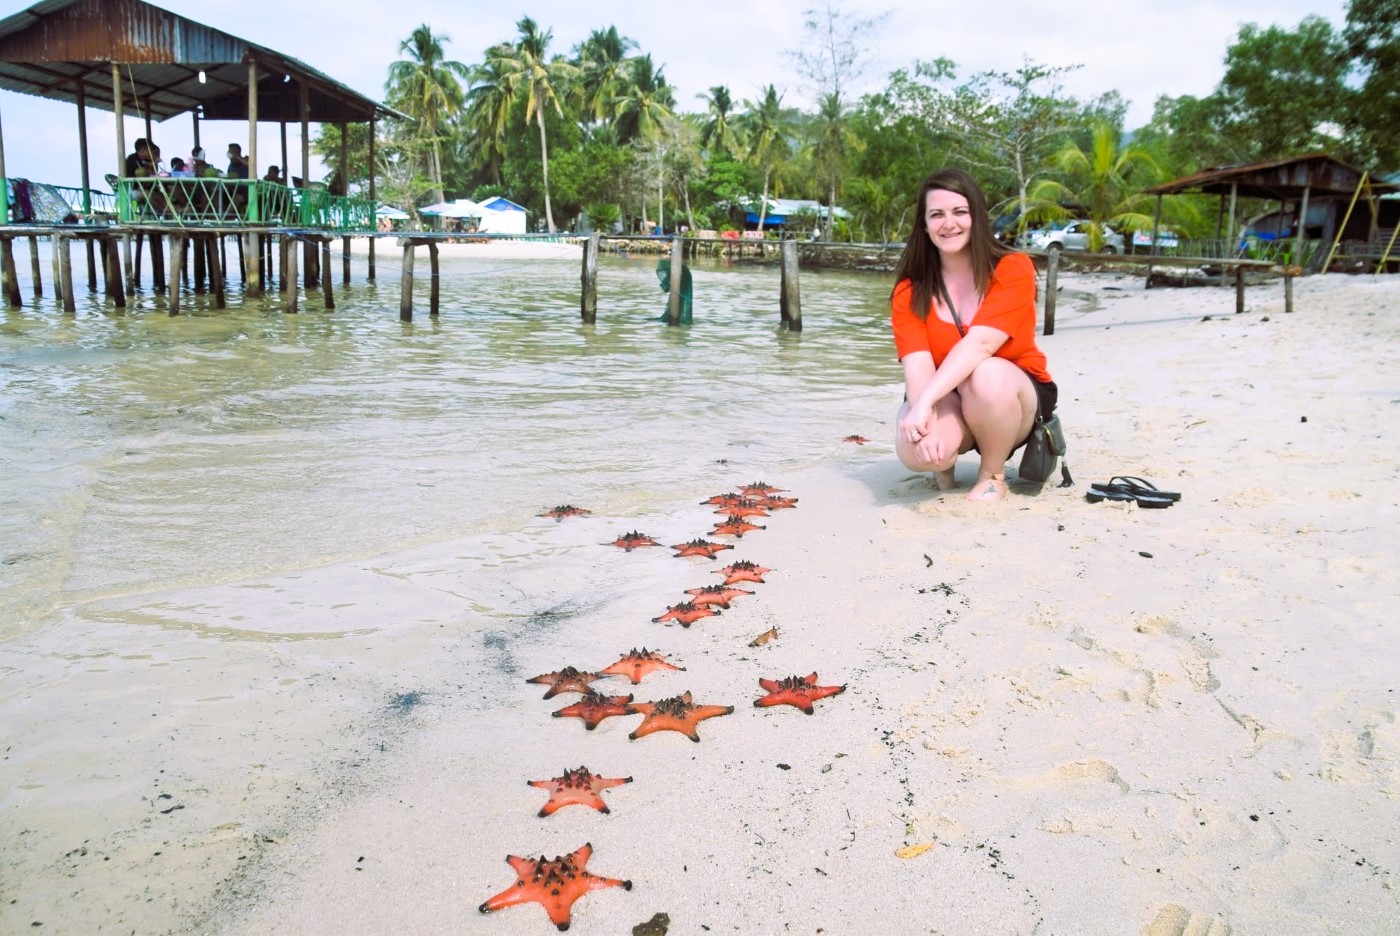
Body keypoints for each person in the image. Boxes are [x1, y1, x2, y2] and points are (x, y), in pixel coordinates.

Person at [889, 168, 1058, 503]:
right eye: (936, 214)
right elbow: (918, 367)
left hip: (1011, 396)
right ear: (924, 225)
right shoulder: (910, 291)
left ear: (977, 217)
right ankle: (943, 473)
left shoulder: (1013, 268)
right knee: (915, 450)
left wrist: (922, 403)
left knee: (986, 373)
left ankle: (992, 475)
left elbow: (981, 344)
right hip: (947, 394)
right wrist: (925, 417)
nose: (948, 223)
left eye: (959, 212)